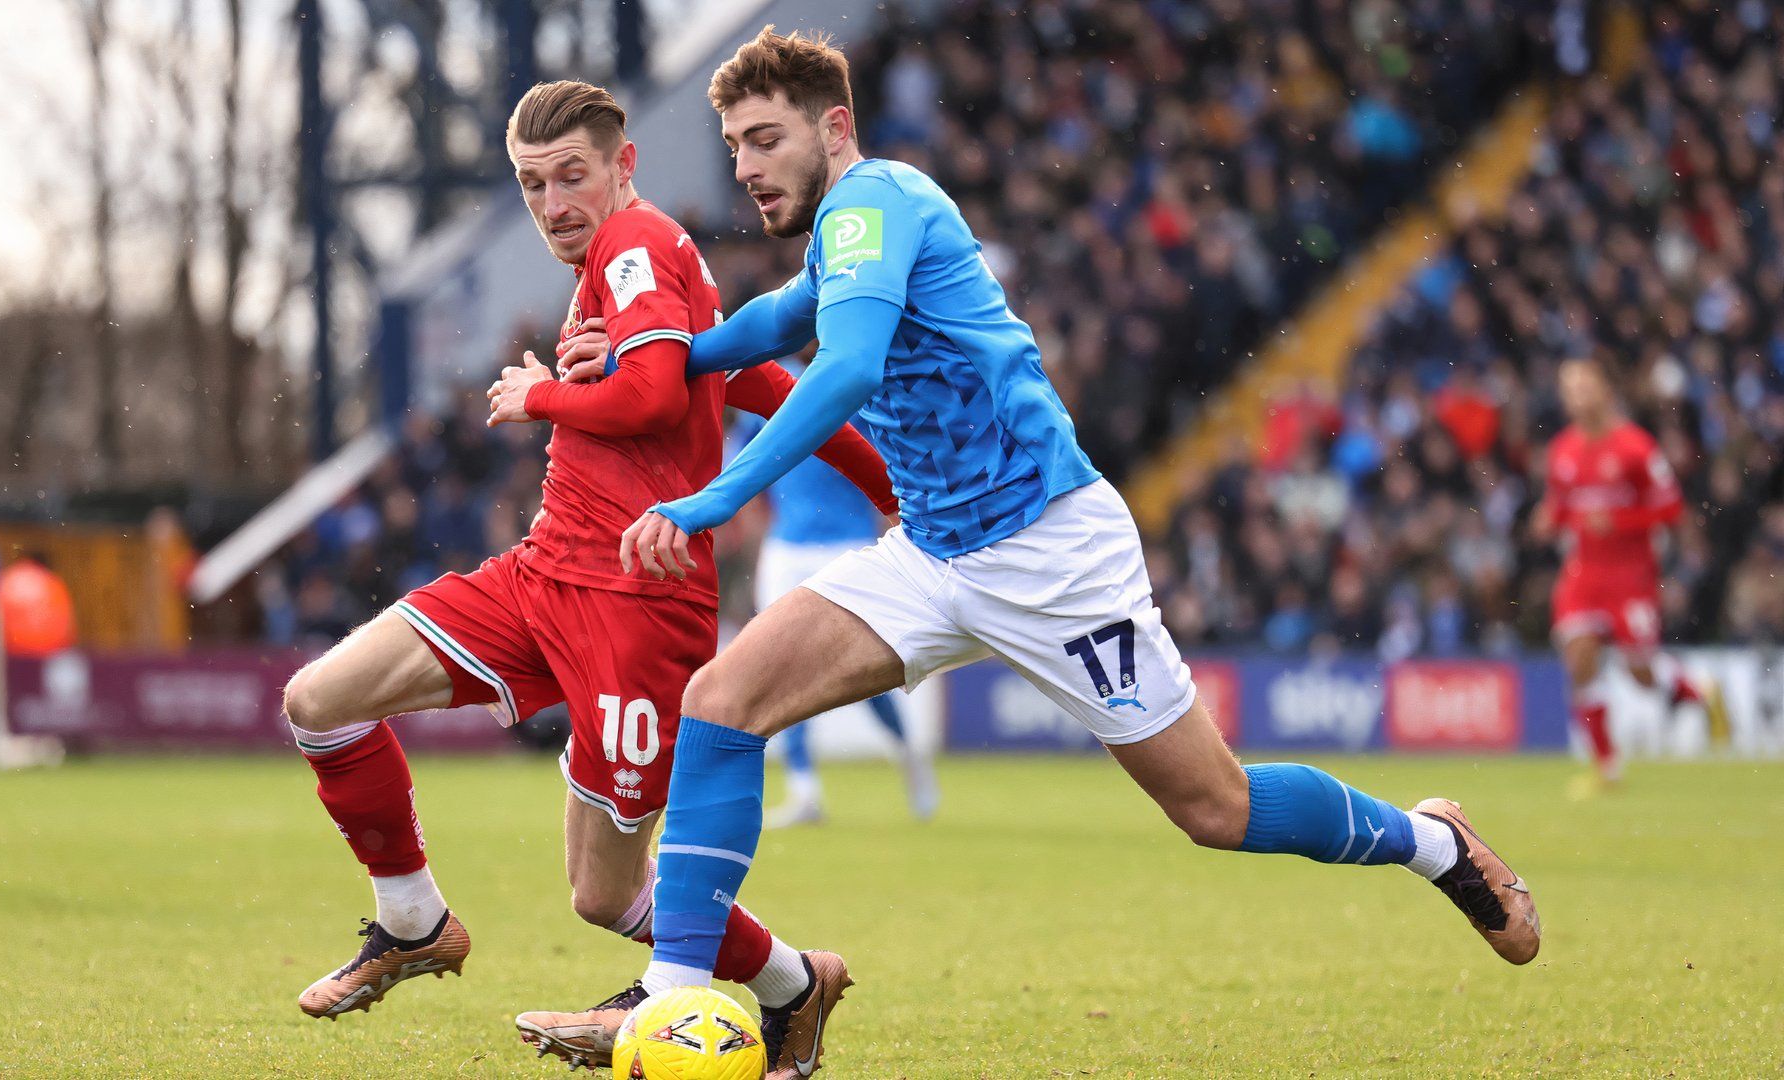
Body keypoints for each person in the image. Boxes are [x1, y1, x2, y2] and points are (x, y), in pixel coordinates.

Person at [524, 28, 1541, 1076]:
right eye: (733, 145)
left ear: (835, 127)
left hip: (1050, 551)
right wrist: (663, 356)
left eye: (764, 139)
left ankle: (1434, 844)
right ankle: (674, 999)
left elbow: (846, 371)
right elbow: (775, 322)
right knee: (721, 705)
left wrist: (710, 497)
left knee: (1215, 808)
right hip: (931, 553)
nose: (744, 167)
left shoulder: (882, 200)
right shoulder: (840, 231)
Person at [282, 81, 897, 1068]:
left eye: (573, 176)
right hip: (543, 573)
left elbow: (655, 398)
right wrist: (884, 482)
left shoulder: (637, 245)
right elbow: (752, 379)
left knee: (605, 895)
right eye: (532, 185)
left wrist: (541, 399)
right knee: (323, 699)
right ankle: (411, 920)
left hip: (637, 604)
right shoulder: (627, 268)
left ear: (624, 167)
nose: (554, 202)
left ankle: (790, 983)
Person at [736, 392, 939, 827]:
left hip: (847, 545)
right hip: (787, 549)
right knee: (781, 669)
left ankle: (908, 755)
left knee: (865, 673)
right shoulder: (771, 383)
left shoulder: (854, 380)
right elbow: (747, 466)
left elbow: (892, 469)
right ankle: (804, 788)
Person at [1531, 357, 1722, 788]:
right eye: (1569, 388)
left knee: (1641, 672)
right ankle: (1607, 768)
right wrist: (1549, 519)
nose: (1576, 396)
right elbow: (1561, 505)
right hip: (1583, 574)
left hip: (1630, 576)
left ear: (1605, 389)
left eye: (1584, 385)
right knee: (1579, 659)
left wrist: (1620, 520)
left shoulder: (1636, 447)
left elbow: (1671, 507)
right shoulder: (1562, 449)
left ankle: (1699, 692)